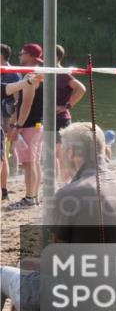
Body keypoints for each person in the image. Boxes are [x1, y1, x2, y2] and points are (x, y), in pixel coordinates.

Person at [1, 122, 116, 311]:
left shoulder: (69, 195)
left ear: (72, 152)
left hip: (82, 300)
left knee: (4, 275)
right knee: (26, 267)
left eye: (62, 150)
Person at [4, 44, 45, 209]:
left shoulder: (31, 76)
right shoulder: (41, 73)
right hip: (37, 124)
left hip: (29, 125)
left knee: (28, 163)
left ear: (30, 56)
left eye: (22, 54)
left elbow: (26, 103)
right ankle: (34, 196)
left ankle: (29, 198)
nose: (19, 56)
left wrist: (17, 126)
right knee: (34, 162)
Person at [53, 45, 87, 183]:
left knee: (62, 155)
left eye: (46, 54)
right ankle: (61, 183)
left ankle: (67, 184)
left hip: (61, 119)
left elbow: (81, 89)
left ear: (56, 56)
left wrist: (67, 106)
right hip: (50, 118)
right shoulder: (48, 72)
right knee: (54, 155)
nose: (43, 57)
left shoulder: (63, 74)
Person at [0, 43, 17, 201]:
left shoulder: (12, 72)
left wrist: (14, 122)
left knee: (7, 151)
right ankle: (4, 189)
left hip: (7, 116)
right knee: (4, 153)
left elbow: (18, 97)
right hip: (4, 114)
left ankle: (8, 185)